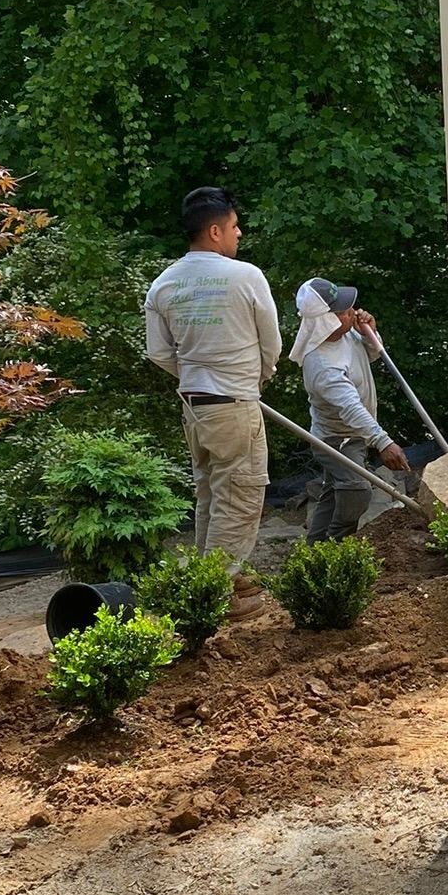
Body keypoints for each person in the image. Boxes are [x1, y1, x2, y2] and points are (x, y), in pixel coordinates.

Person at [145, 187, 281, 620]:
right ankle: (212, 594)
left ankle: (211, 577)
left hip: (195, 406)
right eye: (236, 227)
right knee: (239, 496)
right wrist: (255, 376)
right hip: (236, 402)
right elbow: (271, 343)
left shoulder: (164, 283)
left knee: (210, 493)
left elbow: (159, 353)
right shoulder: (245, 277)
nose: (239, 235)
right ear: (216, 230)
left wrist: (194, 375)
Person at [290, 278, 410, 541]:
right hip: (335, 439)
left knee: (335, 494)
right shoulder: (322, 364)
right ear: (326, 321)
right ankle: (336, 546)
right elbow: (350, 408)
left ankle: (316, 550)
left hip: (351, 435)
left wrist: (370, 334)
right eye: (344, 312)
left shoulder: (346, 335)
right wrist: (383, 442)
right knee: (356, 490)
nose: (354, 313)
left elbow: (371, 355)